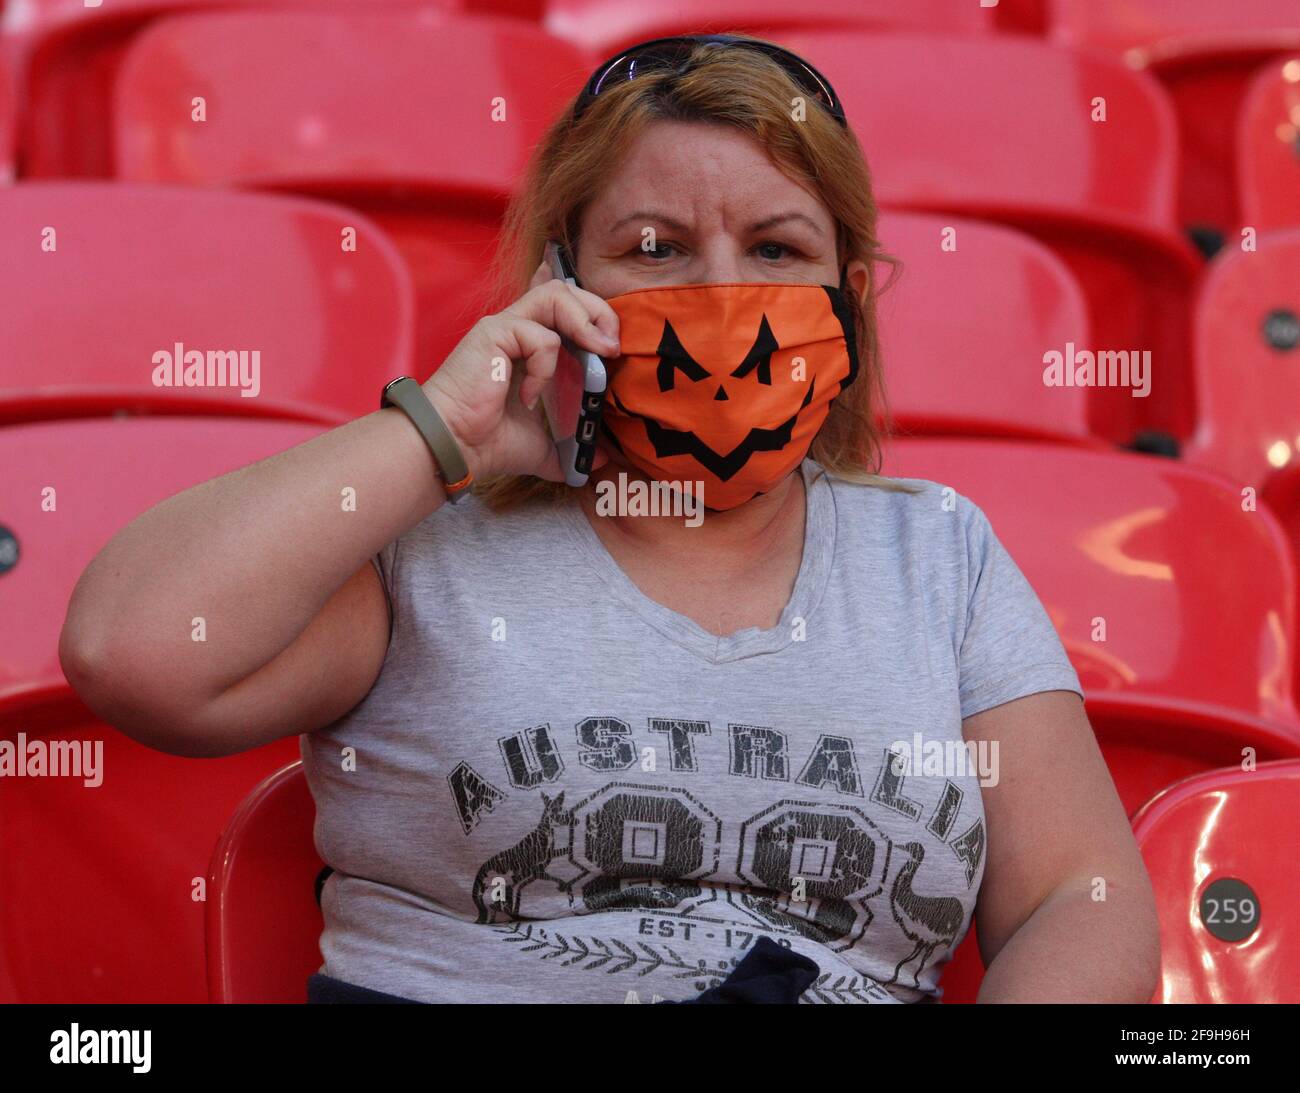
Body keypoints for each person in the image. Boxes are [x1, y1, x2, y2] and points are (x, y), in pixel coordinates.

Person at [59, 34, 1161, 1004]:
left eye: (777, 249)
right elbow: (131, 652)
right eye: (653, 249)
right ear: (559, 282)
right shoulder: (420, 546)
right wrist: (442, 435)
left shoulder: (938, 555)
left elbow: (1080, 892)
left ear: (849, 301)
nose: (721, 293)